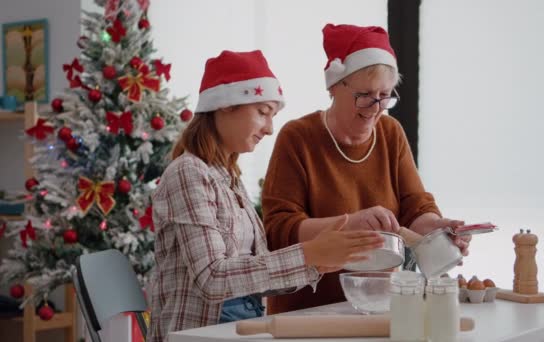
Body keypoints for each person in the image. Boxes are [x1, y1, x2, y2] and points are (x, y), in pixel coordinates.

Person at [147, 50, 384, 342]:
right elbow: (212, 278)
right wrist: (308, 254)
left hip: (238, 329)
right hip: (201, 333)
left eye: (273, 116)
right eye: (263, 112)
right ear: (225, 105)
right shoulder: (188, 172)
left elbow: (254, 276)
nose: (271, 129)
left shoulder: (229, 179)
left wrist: (319, 262)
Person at [262, 24, 472, 314]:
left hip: (380, 306)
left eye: (385, 95)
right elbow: (278, 231)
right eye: (365, 95)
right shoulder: (298, 137)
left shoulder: (390, 132)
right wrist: (350, 224)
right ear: (335, 86)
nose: (376, 107)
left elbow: (414, 206)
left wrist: (435, 228)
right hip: (306, 312)